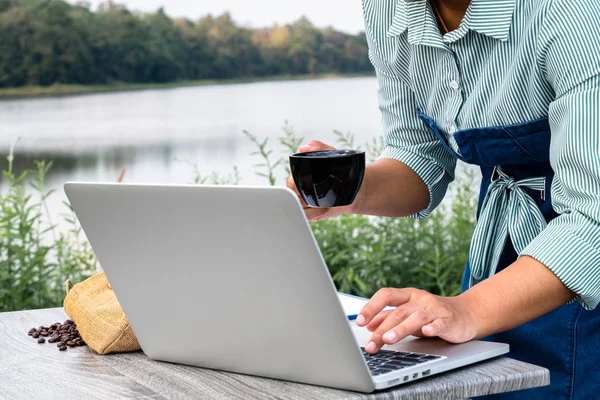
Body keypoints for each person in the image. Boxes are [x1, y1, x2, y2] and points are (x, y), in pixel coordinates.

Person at [286, 0, 600, 398]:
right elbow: (419, 154)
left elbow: (594, 219)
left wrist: (468, 309)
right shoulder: (388, 9)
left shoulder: (571, 12)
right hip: (500, 251)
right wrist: (350, 190)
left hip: (579, 264)